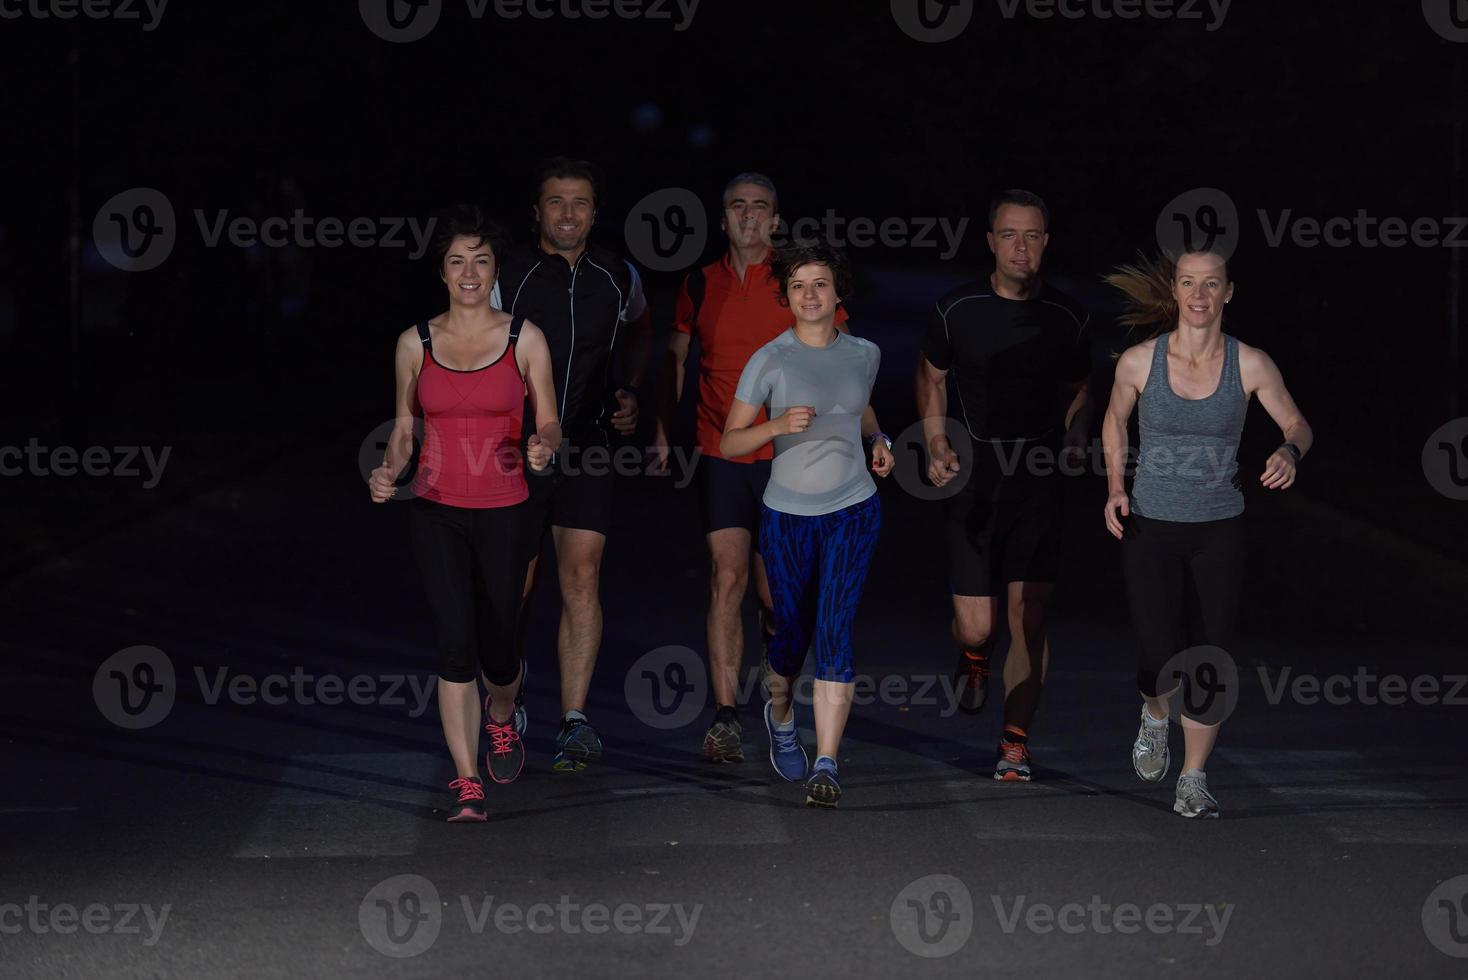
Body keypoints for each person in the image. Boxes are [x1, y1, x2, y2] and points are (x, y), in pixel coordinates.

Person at [1102, 248, 1313, 819]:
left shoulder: (1251, 364)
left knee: (1210, 657)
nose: (1199, 294)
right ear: (1175, 291)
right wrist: (1116, 487)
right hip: (1150, 523)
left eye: (1210, 284)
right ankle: (1154, 714)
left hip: (1220, 527)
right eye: (1189, 283)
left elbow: (1297, 422)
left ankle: (1193, 777)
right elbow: (1115, 418)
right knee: (1156, 654)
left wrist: (1289, 450)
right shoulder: (1140, 361)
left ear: (1227, 293)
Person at [369, 207, 560, 822]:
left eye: (481, 260)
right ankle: (467, 778)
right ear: (443, 273)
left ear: (495, 270)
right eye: (458, 261)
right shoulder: (413, 342)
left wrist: (544, 445)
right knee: (455, 644)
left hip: (506, 508)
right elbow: (404, 430)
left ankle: (502, 713)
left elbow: (551, 418)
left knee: (499, 648)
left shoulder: (523, 337)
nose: (470, 272)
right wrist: (388, 472)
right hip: (436, 507)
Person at [651, 173, 851, 763]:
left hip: (791, 459)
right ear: (722, 219)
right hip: (722, 453)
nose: (749, 216)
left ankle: (779, 693)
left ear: (776, 219)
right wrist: (664, 428)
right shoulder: (699, 283)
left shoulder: (797, 283)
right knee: (726, 577)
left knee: (776, 598)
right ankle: (726, 716)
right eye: (737, 206)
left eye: (760, 207)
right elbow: (677, 356)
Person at [914, 189, 1091, 781]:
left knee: (1031, 615)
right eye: (1010, 235)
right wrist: (938, 443)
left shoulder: (1068, 316)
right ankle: (972, 657)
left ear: (1046, 242)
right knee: (978, 626)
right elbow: (931, 378)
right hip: (974, 479)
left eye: (1033, 235)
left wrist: (1073, 438)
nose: (1022, 247)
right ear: (990, 242)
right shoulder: (956, 308)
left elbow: (1080, 388)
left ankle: (1014, 743)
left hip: (1038, 482)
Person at [720, 239, 892, 808]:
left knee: (835, 629)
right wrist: (777, 427)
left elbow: (861, 407)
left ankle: (827, 761)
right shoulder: (771, 359)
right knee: (790, 635)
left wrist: (879, 439)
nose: (810, 295)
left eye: (820, 283)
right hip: (788, 514)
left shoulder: (865, 352)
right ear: (787, 297)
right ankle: (782, 713)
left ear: (838, 291)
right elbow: (729, 439)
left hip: (853, 508)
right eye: (798, 286)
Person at [497, 157, 653, 772]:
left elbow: (641, 329)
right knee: (515, 589)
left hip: (589, 447)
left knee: (582, 577)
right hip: (514, 450)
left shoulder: (618, 274)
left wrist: (631, 389)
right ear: (536, 210)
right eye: (556, 202)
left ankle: (574, 719)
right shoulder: (506, 273)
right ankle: (507, 697)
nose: (568, 213)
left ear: (596, 210)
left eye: (580, 202)